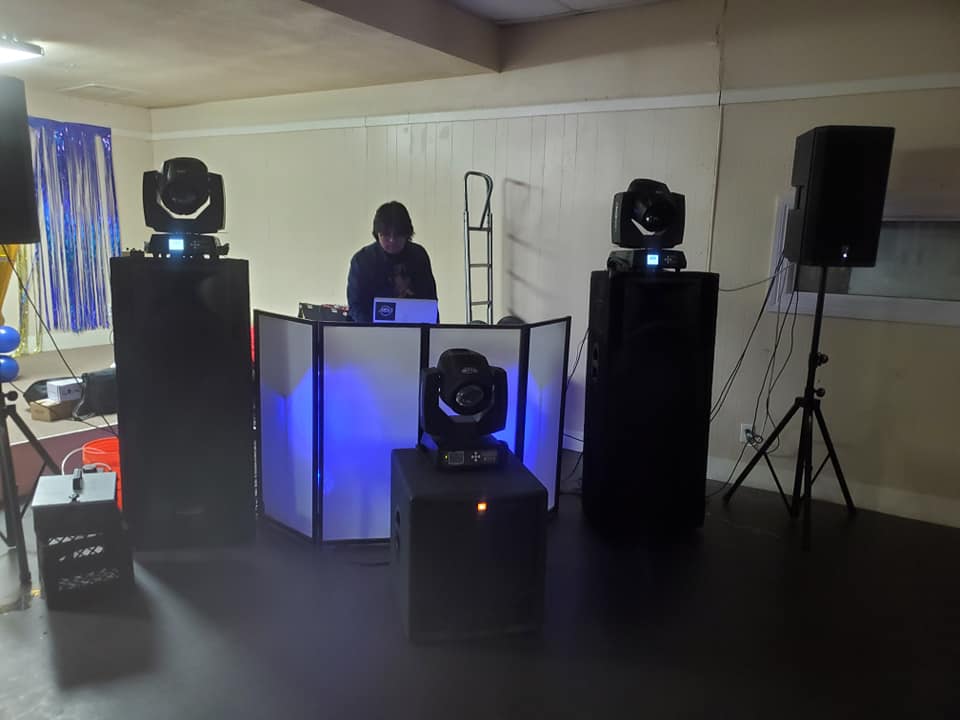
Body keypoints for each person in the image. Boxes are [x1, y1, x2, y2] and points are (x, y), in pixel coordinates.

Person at [347, 201, 438, 323]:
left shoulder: (418, 256)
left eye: (397, 235)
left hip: (412, 327)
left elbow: (430, 302)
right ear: (377, 234)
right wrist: (374, 330)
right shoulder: (362, 261)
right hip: (371, 328)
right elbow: (356, 307)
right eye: (386, 235)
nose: (392, 240)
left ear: (407, 234)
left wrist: (433, 330)